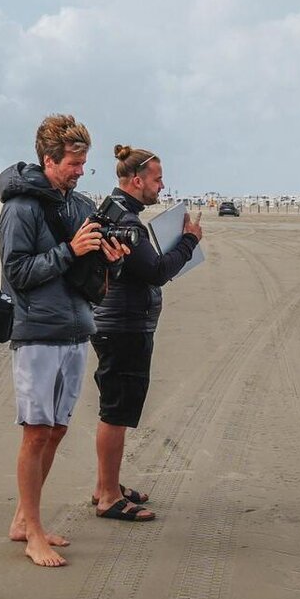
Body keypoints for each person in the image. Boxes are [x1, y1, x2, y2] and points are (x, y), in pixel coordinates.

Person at [0, 114, 125, 567]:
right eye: (73, 162)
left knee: (56, 429)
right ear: (48, 160)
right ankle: (32, 532)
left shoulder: (79, 203)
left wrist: (108, 260)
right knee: (35, 433)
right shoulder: (20, 208)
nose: (79, 170)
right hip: (36, 330)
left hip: (75, 326)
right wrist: (70, 250)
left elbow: (84, 271)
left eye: (83, 163)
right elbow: (16, 274)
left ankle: (23, 519)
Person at [90, 145, 202, 521]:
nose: (162, 185)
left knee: (117, 407)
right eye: (157, 179)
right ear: (136, 181)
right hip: (122, 325)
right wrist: (189, 241)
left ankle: (107, 483)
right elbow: (155, 271)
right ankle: (107, 495)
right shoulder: (125, 220)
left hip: (116, 322)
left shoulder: (114, 211)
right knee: (116, 411)